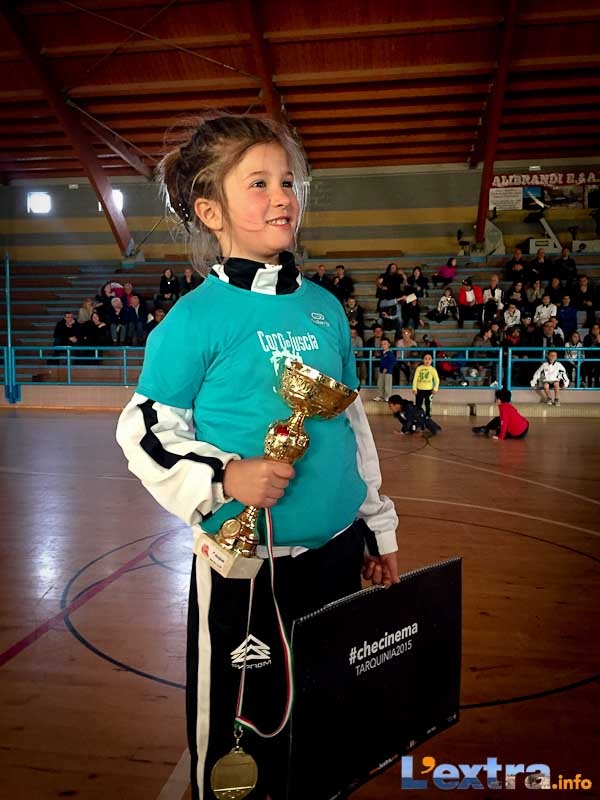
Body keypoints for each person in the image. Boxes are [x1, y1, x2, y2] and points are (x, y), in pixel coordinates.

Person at [114, 113, 399, 800]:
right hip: (245, 568)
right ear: (210, 212)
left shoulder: (325, 308)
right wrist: (225, 478)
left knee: (325, 709)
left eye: (288, 182)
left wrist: (378, 529)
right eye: (260, 183)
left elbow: (350, 425)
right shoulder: (192, 319)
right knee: (238, 726)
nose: (282, 197)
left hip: (338, 553)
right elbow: (143, 431)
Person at [412, 352, 439, 417]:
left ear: (432, 360)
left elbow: (437, 380)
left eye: (429, 359)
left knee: (428, 404)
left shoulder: (433, 369)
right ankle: (418, 416)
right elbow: (415, 379)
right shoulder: (419, 368)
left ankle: (428, 416)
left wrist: (435, 389)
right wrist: (414, 388)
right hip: (419, 390)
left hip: (429, 390)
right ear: (422, 360)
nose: (427, 360)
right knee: (418, 404)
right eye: (425, 359)